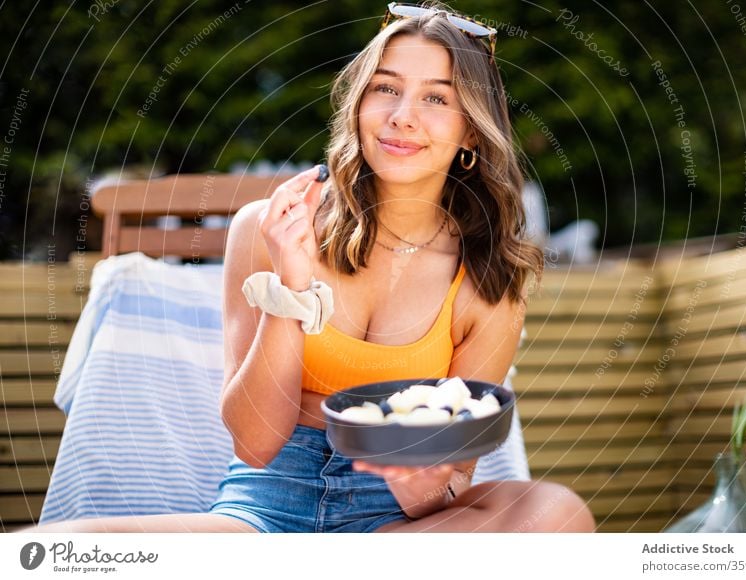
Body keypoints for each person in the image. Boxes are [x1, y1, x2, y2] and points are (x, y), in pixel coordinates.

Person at [25, 2, 594, 533]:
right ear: (357, 104)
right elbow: (255, 443)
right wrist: (291, 288)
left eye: (436, 99)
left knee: (558, 513)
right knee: (60, 551)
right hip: (267, 506)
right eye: (385, 88)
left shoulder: (489, 277)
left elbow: (453, 482)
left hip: (400, 525)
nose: (402, 117)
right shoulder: (269, 229)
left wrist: (412, 478)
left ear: (471, 129)